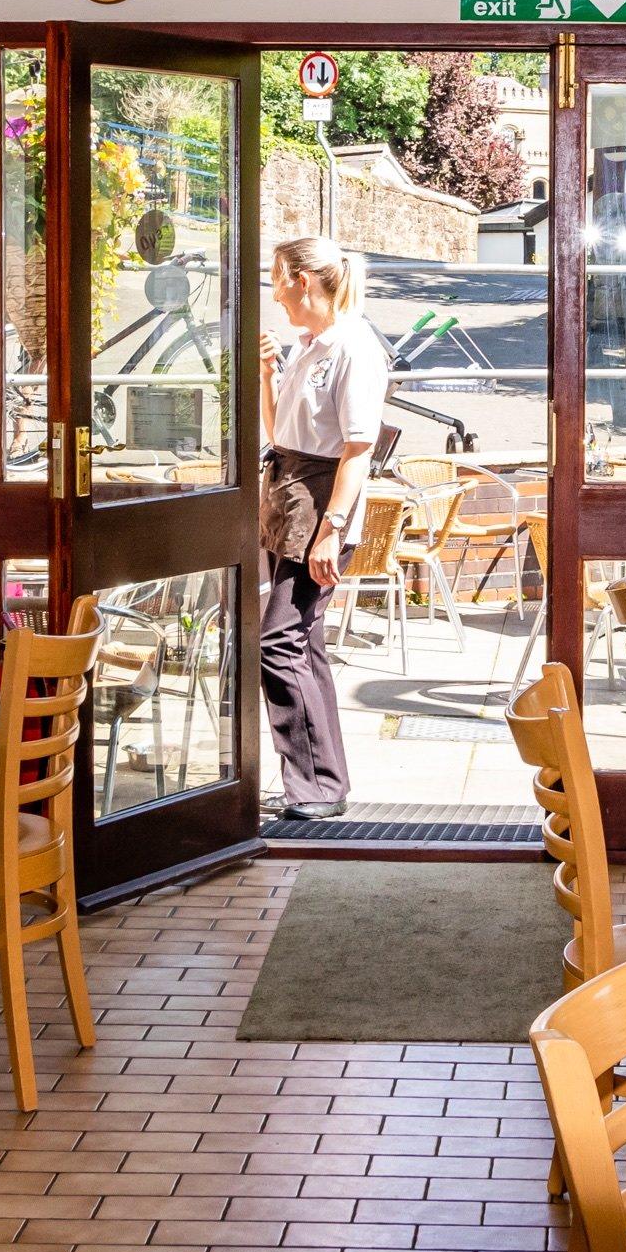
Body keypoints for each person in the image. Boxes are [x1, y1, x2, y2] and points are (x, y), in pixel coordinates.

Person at [257, 235, 388, 822]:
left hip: (318, 503)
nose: (274, 292)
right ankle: (322, 782)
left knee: (278, 642)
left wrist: (332, 528)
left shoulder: (355, 347)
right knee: (303, 644)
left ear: (304, 281)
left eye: (277, 278)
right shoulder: (308, 346)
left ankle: (315, 786)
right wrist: (267, 374)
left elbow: (359, 448)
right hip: (288, 493)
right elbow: (280, 432)